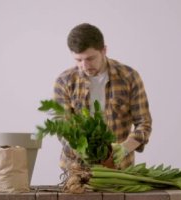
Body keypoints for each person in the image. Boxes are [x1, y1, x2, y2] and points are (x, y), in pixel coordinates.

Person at [54, 23, 152, 170]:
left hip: (119, 168)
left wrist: (124, 148)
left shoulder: (129, 77)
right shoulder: (64, 81)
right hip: (76, 169)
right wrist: (79, 148)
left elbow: (144, 123)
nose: (85, 66)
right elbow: (62, 126)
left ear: (104, 50)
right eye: (78, 60)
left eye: (90, 58)